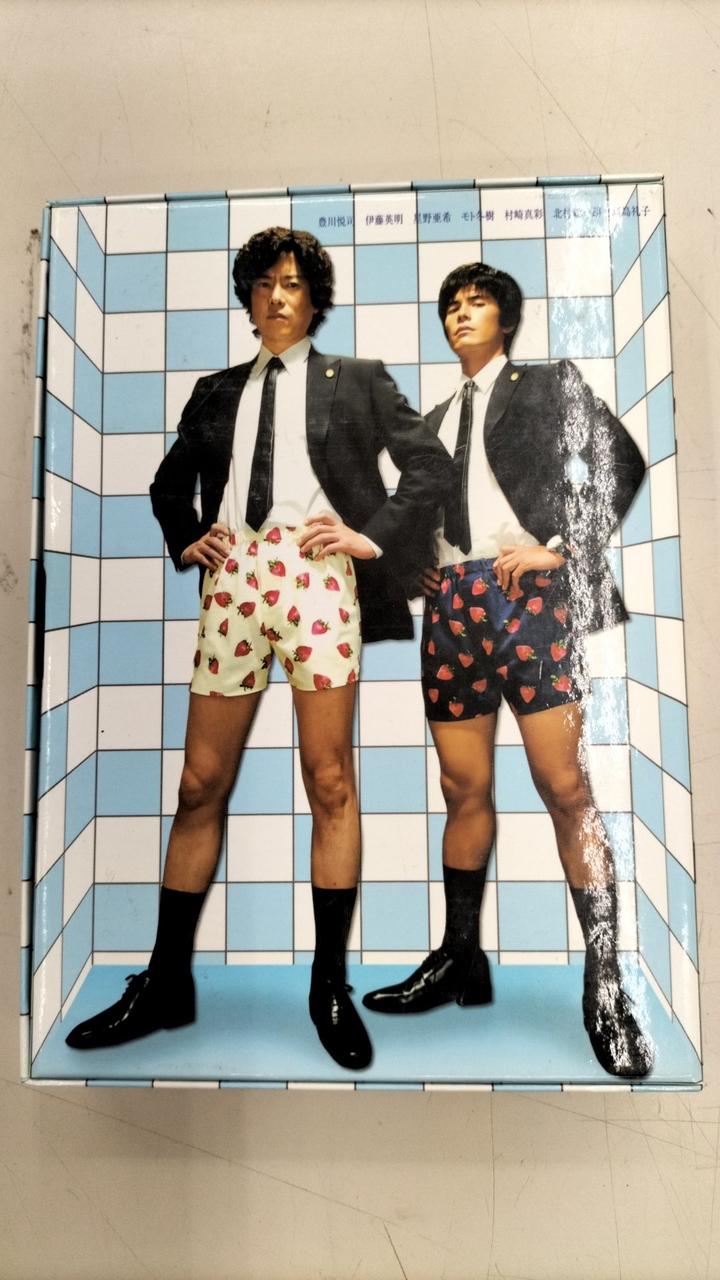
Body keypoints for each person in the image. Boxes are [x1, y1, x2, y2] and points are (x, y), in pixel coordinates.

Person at [65, 226, 452, 1071]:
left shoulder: (358, 379)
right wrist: (187, 535)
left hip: (316, 580)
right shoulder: (215, 390)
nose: (278, 296)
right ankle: (166, 983)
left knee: (330, 780)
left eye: (293, 283)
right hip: (234, 579)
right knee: (198, 784)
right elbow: (169, 482)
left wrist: (370, 537)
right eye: (264, 283)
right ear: (248, 297)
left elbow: (430, 468)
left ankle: (328, 986)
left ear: (314, 298)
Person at [363, 262, 653, 1078]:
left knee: (565, 787)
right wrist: (415, 567)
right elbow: (415, 511)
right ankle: (461, 959)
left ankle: (607, 984)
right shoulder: (431, 419)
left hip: (528, 595)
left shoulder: (547, 383)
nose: (461, 314)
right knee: (462, 788)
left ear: (507, 318)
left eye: (478, 302)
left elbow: (621, 462)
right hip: (453, 607)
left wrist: (562, 548)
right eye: (451, 306)